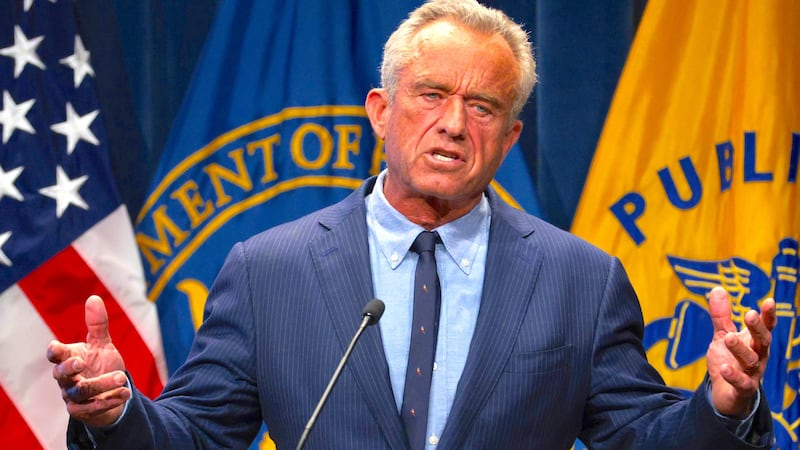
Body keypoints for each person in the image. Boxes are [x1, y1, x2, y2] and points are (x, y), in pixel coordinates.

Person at [48, 0, 776, 448]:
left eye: (483, 107)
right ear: (381, 110)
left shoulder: (580, 280)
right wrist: (116, 415)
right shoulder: (270, 270)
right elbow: (199, 435)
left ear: (510, 139)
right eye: (431, 94)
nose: (454, 124)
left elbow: (641, 438)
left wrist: (722, 407)